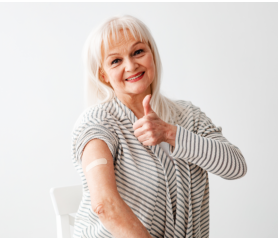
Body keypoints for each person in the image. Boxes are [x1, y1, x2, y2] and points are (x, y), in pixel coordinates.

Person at [71, 15, 247, 238]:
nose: (131, 65)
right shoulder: (96, 123)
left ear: (152, 53)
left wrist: (170, 133)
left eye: (138, 52)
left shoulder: (188, 115)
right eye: (116, 61)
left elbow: (236, 167)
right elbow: (105, 205)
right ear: (103, 75)